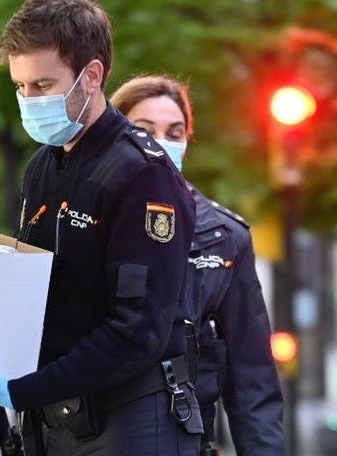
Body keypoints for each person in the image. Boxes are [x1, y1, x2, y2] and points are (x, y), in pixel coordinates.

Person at [0, 0, 202, 454]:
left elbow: (136, 331)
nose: (30, 100)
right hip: (56, 418)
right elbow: (34, 296)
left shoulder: (142, 174)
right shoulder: (43, 166)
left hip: (129, 422)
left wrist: (19, 390)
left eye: (43, 85)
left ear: (91, 75)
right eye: (21, 86)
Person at [111, 75, 285, 455]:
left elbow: (252, 380)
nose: (161, 142)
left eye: (174, 133)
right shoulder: (79, 217)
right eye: (145, 131)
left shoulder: (224, 237)